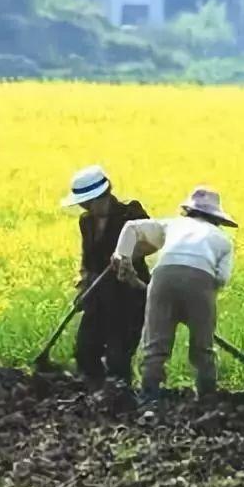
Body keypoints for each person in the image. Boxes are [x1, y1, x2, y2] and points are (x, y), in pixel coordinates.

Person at [111, 187, 236, 402]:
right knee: (202, 346)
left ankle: (149, 394)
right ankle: (207, 396)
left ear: (188, 211)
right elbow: (221, 278)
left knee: (155, 343)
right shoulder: (223, 240)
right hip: (201, 279)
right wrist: (198, 306)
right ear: (216, 219)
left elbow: (131, 227)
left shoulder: (174, 224)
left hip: (163, 276)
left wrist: (122, 256)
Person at [61, 165, 150, 388]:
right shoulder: (86, 222)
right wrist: (83, 286)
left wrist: (124, 255)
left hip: (128, 290)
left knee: (118, 354)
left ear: (101, 196)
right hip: (98, 293)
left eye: (86, 202)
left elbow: (150, 243)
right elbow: (87, 259)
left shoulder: (131, 213)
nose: (84, 207)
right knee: (85, 350)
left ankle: (120, 400)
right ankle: (93, 397)